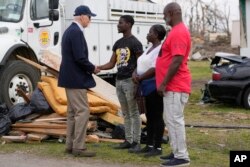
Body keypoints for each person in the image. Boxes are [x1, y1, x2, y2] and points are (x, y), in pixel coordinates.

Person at [58, 5, 99, 157]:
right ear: (82, 16)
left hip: (69, 78)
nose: (90, 20)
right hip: (76, 78)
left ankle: (70, 145)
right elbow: (80, 57)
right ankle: (79, 147)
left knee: (72, 113)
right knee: (82, 111)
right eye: (89, 17)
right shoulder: (76, 32)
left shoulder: (70, 30)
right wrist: (92, 68)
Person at [98, 15, 143, 152]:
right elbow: (112, 63)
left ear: (128, 24)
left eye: (120, 23)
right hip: (119, 81)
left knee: (134, 112)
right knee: (125, 113)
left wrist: (136, 79)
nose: (118, 25)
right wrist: (98, 68)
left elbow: (141, 63)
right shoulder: (118, 43)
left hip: (130, 81)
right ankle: (128, 140)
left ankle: (137, 142)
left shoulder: (135, 43)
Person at [156, 2, 191, 167]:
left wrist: (163, 83)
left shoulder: (178, 32)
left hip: (175, 85)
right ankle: (176, 151)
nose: (164, 18)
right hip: (173, 86)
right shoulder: (176, 31)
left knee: (175, 120)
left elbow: (177, 60)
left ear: (171, 12)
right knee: (170, 120)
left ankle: (182, 157)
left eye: (165, 14)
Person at [132, 24, 166, 156]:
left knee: (157, 116)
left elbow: (154, 68)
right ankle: (149, 144)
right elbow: (140, 63)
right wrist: (135, 73)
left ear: (157, 35)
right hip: (144, 85)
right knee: (149, 116)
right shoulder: (149, 48)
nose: (147, 34)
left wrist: (140, 78)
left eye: (150, 32)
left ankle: (157, 147)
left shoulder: (160, 49)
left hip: (154, 85)